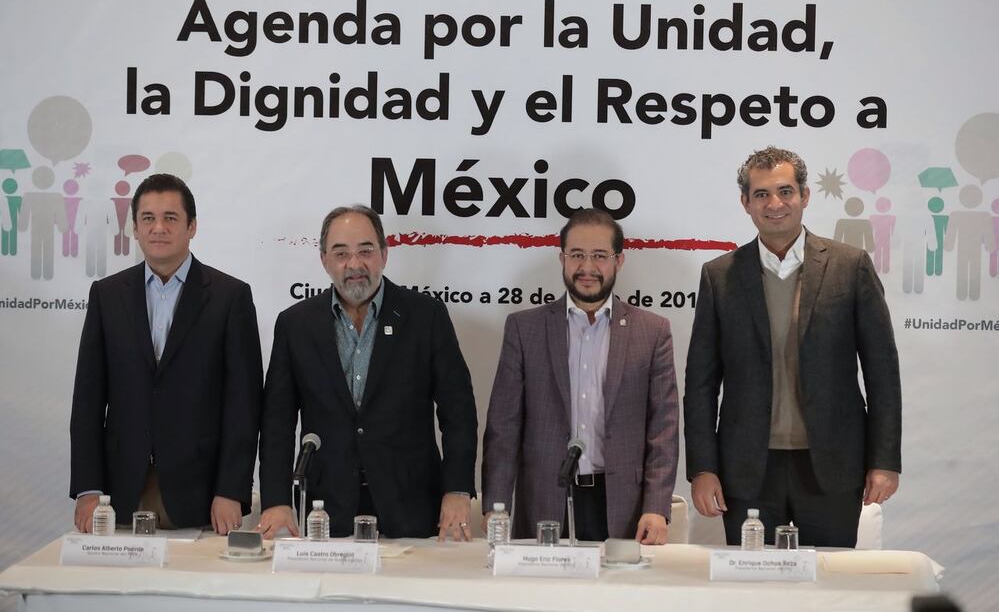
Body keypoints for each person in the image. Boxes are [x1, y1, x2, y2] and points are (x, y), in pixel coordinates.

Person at [684, 146, 902, 547]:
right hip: (747, 470)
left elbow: (882, 373)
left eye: (785, 191)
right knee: (752, 581)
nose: (775, 204)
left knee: (828, 580)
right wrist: (702, 468)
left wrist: (884, 460)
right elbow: (700, 384)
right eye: (762, 194)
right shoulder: (719, 276)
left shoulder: (850, 266)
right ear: (746, 203)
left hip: (832, 466)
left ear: (805, 195)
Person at [257, 205, 478, 540]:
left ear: (384, 254)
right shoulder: (295, 324)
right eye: (341, 253)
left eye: (365, 251)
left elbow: (458, 411)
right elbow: (277, 422)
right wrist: (276, 499)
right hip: (325, 510)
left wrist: (457, 489)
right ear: (324, 260)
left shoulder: (426, 317)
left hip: (412, 506)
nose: (354, 264)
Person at [70, 173, 263, 534]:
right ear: (135, 228)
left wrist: (230, 489)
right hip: (119, 491)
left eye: (170, 218)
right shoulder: (106, 296)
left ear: (192, 227)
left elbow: (244, 405)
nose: (158, 228)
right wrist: (88, 487)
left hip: (203, 493)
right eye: (148, 218)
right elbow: (88, 401)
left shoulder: (230, 297)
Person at [482, 208, 679, 544]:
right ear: (562, 259)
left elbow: (664, 427)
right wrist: (496, 505)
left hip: (623, 505)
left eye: (600, 255)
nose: (587, 267)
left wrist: (656, 506)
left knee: (618, 582)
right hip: (545, 500)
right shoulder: (524, 329)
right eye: (577, 255)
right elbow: (504, 427)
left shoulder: (652, 332)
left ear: (618, 261)